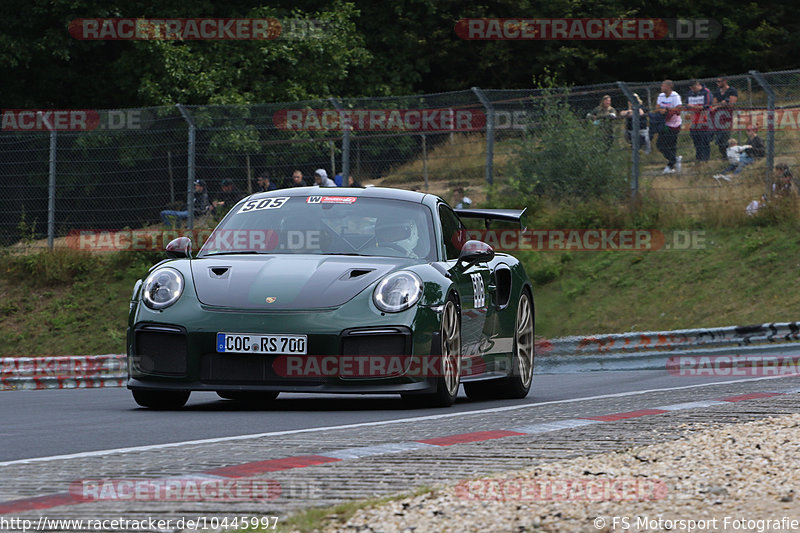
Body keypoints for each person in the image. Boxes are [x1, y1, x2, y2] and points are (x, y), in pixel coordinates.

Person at [655, 80, 682, 174]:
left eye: (663, 86)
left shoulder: (675, 96)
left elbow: (679, 108)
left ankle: (671, 166)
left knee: (671, 145)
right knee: (660, 144)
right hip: (664, 124)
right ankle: (674, 160)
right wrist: (661, 110)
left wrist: (668, 110)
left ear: (669, 87)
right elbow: (657, 107)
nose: (661, 87)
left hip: (674, 124)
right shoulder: (661, 96)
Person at [711, 76, 739, 160]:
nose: (718, 83)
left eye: (719, 81)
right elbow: (713, 105)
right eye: (717, 81)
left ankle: (729, 155)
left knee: (725, 138)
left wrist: (719, 105)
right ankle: (724, 156)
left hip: (727, 118)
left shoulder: (732, 90)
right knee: (719, 139)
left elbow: (731, 104)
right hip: (717, 118)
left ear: (725, 81)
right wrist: (722, 103)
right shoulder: (717, 91)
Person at [686, 80, 714, 162]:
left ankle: (705, 160)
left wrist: (694, 107)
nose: (693, 90)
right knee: (696, 142)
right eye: (691, 88)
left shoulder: (706, 92)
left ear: (698, 85)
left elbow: (707, 106)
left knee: (704, 142)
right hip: (694, 121)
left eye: (694, 88)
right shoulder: (690, 93)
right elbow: (686, 105)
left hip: (705, 121)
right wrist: (694, 107)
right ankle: (698, 159)